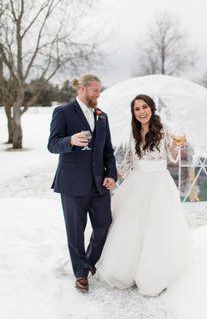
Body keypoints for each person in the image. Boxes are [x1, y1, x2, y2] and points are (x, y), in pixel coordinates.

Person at [96, 94, 191, 297]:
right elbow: (130, 159)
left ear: (151, 108)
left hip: (159, 184)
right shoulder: (134, 131)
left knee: (157, 228)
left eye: (144, 107)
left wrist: (177, 146)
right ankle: (126, 270)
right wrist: (114, 176)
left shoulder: (164, 128)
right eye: (137, 109)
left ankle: (153, 275)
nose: (141, 112)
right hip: (137, 183)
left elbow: (172, 157)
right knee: (131, 225)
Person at [47, 74, 117, 292]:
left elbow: (108, 150)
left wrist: (112, 175)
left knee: (104, 224)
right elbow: (52, 144)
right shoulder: (63, 112)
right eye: (95, 90)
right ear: (83, 89)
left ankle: (88, 261)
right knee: (75, 231)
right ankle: (80, 273)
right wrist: (70, 141)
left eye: (100, 90)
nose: (99, 94)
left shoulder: (102, 116)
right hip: (72, 183)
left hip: (99, 185)